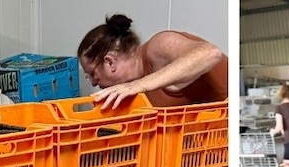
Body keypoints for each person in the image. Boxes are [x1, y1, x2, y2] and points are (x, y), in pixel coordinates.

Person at [77, 14, 227, 109]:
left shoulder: (158, 46)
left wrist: (138, 85)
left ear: (110, 62)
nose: (93, 83)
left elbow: (210, 53)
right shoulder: (139, 88)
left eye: (92, 73)